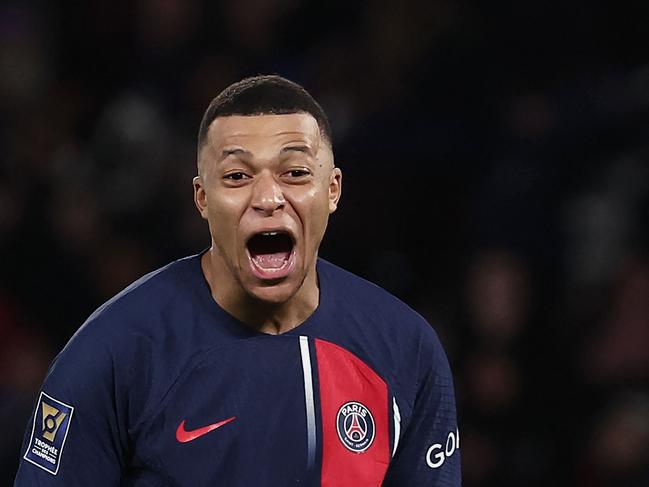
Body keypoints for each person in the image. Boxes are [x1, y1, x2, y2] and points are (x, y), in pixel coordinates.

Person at [14, 75, 461, 486]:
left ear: (333, 190)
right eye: (237, 176)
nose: (268, 197)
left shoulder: (405, 349)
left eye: (295, 173)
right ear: (202, 198)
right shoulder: (113, 351)